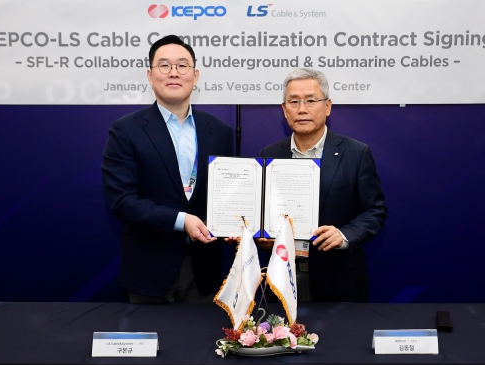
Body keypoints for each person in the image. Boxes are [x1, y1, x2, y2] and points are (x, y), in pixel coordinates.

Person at [101, 35, 234, 303]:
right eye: (164, 65)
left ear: (195, 76)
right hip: (149, 271)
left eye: (182, 65)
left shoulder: (220, 131)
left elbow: (229, 194)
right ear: (150, 76)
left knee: (203, 333)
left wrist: (234, 221)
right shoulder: (126, 130)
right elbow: (122, 201)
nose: (174, 72)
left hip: (204, 272)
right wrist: (182, 220)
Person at [258, 68, 387, 302]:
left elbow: (375, 211)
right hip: (283, 277)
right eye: (294, 102)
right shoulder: (269, 154)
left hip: (338, 279)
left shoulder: (356, 153)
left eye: (311, 100)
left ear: (327, 106)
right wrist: (263, 235)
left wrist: (344, 234)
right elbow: (263, 211)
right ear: (284, 110)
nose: (302, 109)